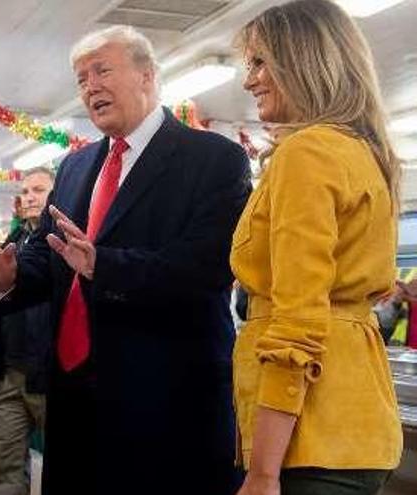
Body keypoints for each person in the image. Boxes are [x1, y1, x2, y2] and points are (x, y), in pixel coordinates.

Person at [0, 24, 251, 494]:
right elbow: (51, 259)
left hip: (165, 401)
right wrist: (8, 276)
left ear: (147, 75)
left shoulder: (215, 159)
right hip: (74, 396)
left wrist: (102, 265)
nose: (90, 87)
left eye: (102, 70)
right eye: (81, 79)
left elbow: (206, 268)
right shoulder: (76, 166)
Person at [232, 2, 403, 494]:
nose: (249, 80)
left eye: (260, 62)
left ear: (304, 62)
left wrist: (263, 471)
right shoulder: (363, 154)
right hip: (359, 426)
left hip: (309, 434)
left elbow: (298, 320)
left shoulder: (306, 154)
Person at [0, 166, 54, 495]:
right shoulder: (14, 242)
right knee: (5, 463)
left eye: (38, 189)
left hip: (50, 374)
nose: (29, 197)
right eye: (25, 191)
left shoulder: (63, 243)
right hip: (9, 371)